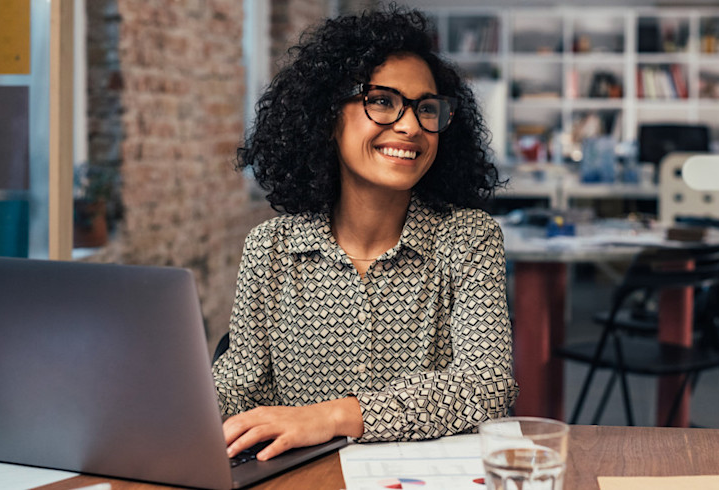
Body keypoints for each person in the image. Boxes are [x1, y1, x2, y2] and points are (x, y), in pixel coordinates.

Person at [212, 6, 519, 462]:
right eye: (382, 101)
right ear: (327, 117)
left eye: (426, 108)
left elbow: (486, 384)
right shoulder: (271, 248)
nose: (410, 126)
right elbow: (240, 387)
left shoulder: (467, 239)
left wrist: (335, 416)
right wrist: (175, 409)